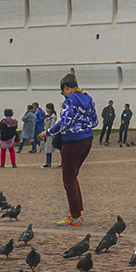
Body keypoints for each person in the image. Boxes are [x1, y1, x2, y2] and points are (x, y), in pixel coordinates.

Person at [41, 73, 97, 226]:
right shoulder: (88, 98)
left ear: (66, 88)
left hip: (72, 142)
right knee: (73, 176)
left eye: (63, 91)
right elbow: (95, 122)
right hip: (87, 140)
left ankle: (75, 216)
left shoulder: (69, 101)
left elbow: (64, 122)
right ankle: (77, 211)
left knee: (69, 179)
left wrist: (47, 132)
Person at [41, 104, 57, 168]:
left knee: (48, 149)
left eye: (47, 108)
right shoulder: (47, 116)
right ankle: (47, 162)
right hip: (46, 132)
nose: (46, 109)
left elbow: (52, 126)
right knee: (46, 148)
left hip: (49, 134)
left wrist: (47, 132)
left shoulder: (52, 117)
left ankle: (48, 163)